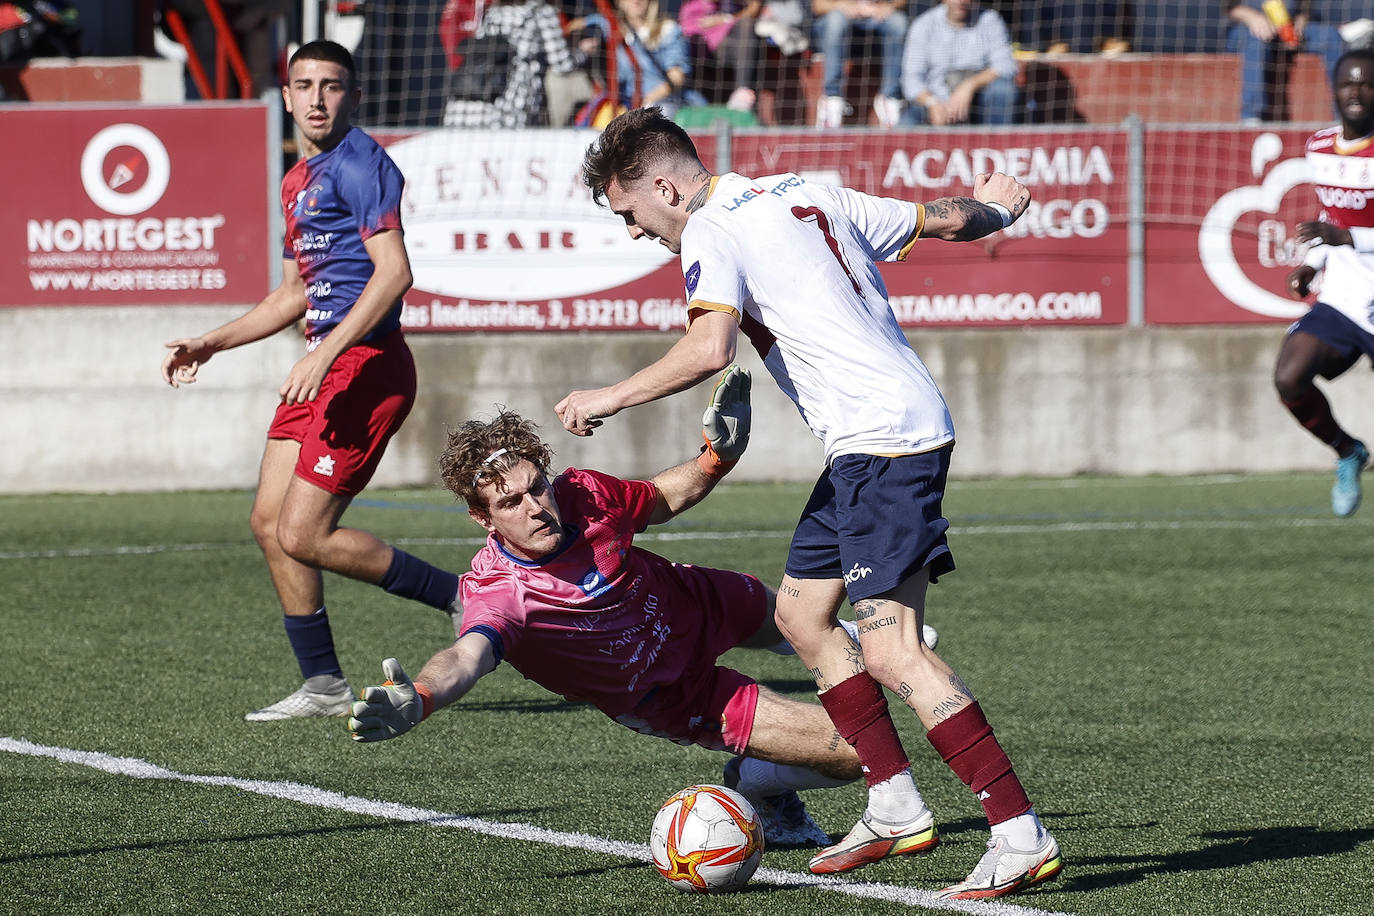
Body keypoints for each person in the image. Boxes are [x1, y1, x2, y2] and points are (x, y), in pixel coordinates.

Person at [553, 108, 1060, 899]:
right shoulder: (805, 192)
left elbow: (708, 348)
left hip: (882, 442)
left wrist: (608, 396)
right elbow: (946, 219)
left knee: (894, 652)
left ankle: (1018, 833)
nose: (634, 230)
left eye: (629, 213)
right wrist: (997, 207)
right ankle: (893, 805)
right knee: (801, 619)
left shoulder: (710, 230)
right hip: (868, 442)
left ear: (662, 186)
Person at [348, 380, 869, 845]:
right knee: (855, 752)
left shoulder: (584, 493)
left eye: (537, 488)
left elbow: (659, 499)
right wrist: (422, 695)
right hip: (670, 690)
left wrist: (716, 456)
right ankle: (756, 781)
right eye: (510, 503)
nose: (534, 507)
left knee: (811, 628)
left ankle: (864, 642)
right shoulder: (500, 593)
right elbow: (466, 657)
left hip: (696, 600)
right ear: (482, 518)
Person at [161, 40, 462, 721]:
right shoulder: (297, 179)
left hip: (366, 366)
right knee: (268, 524)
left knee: (304, 533)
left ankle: (462, 595)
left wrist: (323, 356)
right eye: (306, 85)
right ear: (288, 96)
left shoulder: (363, 165)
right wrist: (212, 342)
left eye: (332, 85)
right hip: (324, 367)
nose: (319, 97)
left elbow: (394, 275)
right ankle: (323, 683)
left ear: (352, 96)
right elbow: (292, 294)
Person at [1276, 48, 1374, 517]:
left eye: (1367, 83)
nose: (1356, 92)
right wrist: (1313, 262)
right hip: (1346, 297)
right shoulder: (1319, 146)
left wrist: (1348, 236)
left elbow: (1342, 228)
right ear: (1335, 91)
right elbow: (1327, 217)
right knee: (1289, 377)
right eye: (1348, 83)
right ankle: (1348, 451)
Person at [442, 0, 585, 128]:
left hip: (465, 108)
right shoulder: (541, 12)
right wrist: (583, 52)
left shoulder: (494, 11)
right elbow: (562, 65)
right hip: (512, 106)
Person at [1225, 1, 1356, 122]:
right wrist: (1253, 18)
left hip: (1289, 29)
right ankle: (1252, 118)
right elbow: (1230, 7)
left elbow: (1305, 7)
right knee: (1257, 40)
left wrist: (1301, 19)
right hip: (1248, 30)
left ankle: (1343, 116)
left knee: (1330, 36)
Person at [900, 0, 1018, 127]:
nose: (960, 2)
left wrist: (969, 86)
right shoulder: (924, 24)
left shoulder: (990, 20)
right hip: (936, 99)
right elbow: (911, 79)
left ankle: (996, 144)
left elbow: (1006, 65)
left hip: (979, 99)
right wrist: (932, 102)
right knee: (904, 128)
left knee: (1003, 91)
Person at [583, 0, 707, 118]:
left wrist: (644, 103)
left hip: (663, 104)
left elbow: (676, 78)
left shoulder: (668, 30)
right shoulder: (609, 27)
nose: (635, 1)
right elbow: (578, 27)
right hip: (624, 105)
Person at [811, 0, 907, 128]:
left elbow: (901, 2)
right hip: (839, 19)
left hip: (876, 19)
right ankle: (832, 100)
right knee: (835, 20)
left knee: (898, 22)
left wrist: (887, 7)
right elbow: (818, 6)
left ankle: (889, 98)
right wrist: (843, 6)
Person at [679, 0, 767, 113]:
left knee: (746, 27)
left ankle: (743, 92)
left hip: (721, 43)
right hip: (692, 45)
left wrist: (725, 18)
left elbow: (754, 6)